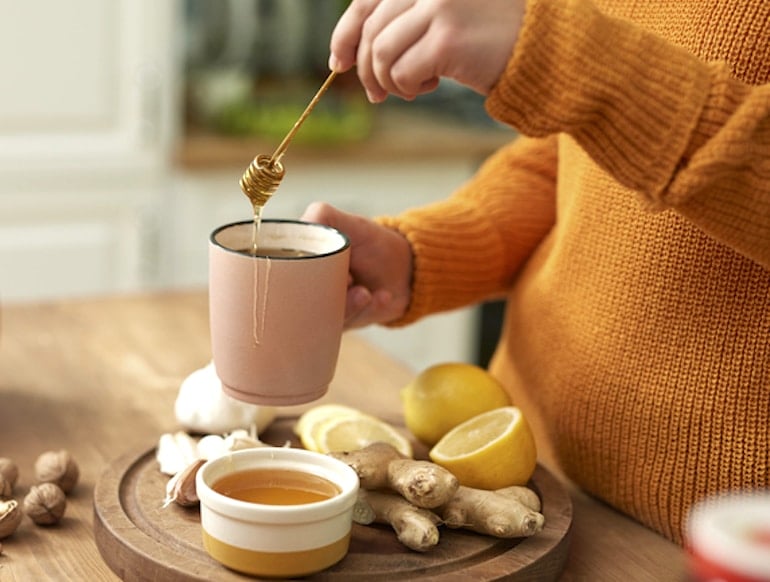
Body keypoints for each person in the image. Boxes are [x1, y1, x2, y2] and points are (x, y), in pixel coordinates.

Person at [301, 0, 770, 545]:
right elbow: (570, 159)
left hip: (717, 543)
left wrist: (566, 60)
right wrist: (419, 254)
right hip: (521, 487)